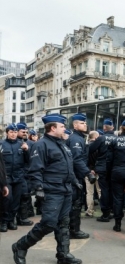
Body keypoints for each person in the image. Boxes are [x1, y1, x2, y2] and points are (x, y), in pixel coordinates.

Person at [12, 114, 82, 264]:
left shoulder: (62, 144)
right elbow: (35, 170)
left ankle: (63, 255)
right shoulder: (41, 145)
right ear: (52, 128)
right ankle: (20, 246)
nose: (65, 128)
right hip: (51, 191)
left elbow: (68, 167)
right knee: (49, 223)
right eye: (62, 126)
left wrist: (75, 181)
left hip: (66, 190)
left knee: (63, 222)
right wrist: (38, 188)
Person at [65, 113, 97, 239]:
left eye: (85, 123)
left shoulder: (79, 138)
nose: (85, 125)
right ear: (75, 125)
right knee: (75, 204)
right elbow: (77, 160)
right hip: (74, 176)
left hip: (76, 175)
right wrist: (88, 173)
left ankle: (74, 229)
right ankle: (74, 230)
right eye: (82, 123)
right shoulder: (75, 139)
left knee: (76, 204)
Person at [0, 124, 31, 232]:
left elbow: (28, 161)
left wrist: (27, 150)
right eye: (11, 132)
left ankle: (10, 220)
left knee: (16, 201)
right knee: (7, 199)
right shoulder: (1, 144)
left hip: (18, 177)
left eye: (15, 132)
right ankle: (3, 221)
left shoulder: (21, 144)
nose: (13, 134)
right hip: (6, 177)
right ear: (7, 133)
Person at [109, 119, 125, 232]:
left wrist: (109, 172)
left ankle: (118, 224)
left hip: (117, 172)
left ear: (121, 128)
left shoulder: (115, 141)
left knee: (118, 199)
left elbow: (109, 159)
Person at [89, 118, 116, 222]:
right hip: (113, 168)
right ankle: (114, 211)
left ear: (104, 127)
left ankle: (105, 214)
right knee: (113, 190)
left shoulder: (101, 138)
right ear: (112, 127)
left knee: (104, 190)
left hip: (102, 167)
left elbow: (91, 149)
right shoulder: (116, 138)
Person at [85, 131, 101, 218]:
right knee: (100, 191)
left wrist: (90, 169)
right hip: (98, 171)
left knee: (89, 192)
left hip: (88, 172)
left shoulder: (85, 147)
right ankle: (104, 210)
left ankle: (90, 211)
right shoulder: (99, 147)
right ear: (96, 137)